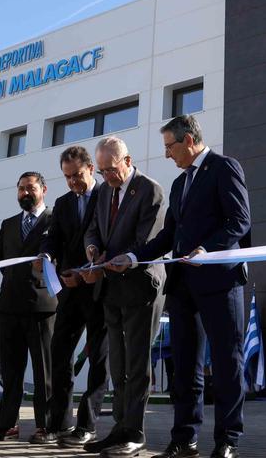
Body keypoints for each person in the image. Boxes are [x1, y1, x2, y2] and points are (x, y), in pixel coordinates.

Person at [111, 115, 251, 458]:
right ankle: (184, 438)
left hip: (220, 281)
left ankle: (227, 440)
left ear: (188, 140)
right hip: (183, 285)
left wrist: (209, 249)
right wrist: (133, 257)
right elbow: (168, 235)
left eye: (169, 146)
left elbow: (240, 221)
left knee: (226, 362)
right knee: (185, 365)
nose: (166, 154)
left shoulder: (224, 167)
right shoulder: (179, 184)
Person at [80, 136, 165, 458]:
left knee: (137, 362)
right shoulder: (102, 190)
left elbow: (148, 242)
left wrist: (121, 259)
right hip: (110, 289)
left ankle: (135, 432)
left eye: (111, 170)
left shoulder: (149, 189)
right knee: (118, 363)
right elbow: (92, 229)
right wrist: (91, 248)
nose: (106, 177)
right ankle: (119, 428)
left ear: (127, 161)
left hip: (140, 287)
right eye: (101, 171)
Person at [42, 146, 109, 448]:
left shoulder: (108, 195)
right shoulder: (62, 203)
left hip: (98, 290)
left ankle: (87, 425)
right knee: (59, 355)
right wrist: (47, 255)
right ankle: (58, 423)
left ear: (91, 169)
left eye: (77, 175)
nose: (72, 182)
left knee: (99, 358)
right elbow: (54, 240)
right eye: (67, 177)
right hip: (69, 290)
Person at [0, 172, 55, 443]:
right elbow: (4, 261)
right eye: (21, 189)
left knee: (43, 371)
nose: (26, 193)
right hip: (10, 306)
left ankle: (44, 425)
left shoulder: (54, 219)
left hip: (42, 306)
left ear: (43, 190)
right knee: (10, 371)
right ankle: (7, 425)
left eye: (31, 188)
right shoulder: (8, 224)